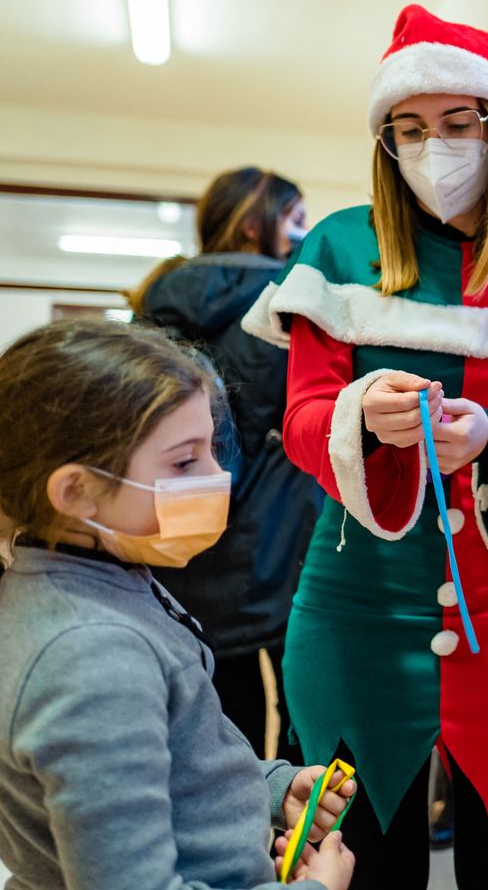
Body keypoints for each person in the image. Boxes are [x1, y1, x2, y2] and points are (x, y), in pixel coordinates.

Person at [242, 4, 488, 889]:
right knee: (364, 870)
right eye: (408, 129)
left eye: (455, 123)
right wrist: (361, 413)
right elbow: (302, 418)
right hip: (356, 615)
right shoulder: (337, 247)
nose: (432, 147)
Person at [0, 320, 356, 890]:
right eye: (184, 463)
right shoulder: (92, 656)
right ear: (75, 491)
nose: (219, 480)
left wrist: (268, 788)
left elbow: (174, 758)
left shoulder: (96, 576)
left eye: (212, 450)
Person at [130, 166, 320, 759]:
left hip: (189, 534)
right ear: (253, 226)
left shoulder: (157, 302)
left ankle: (237, 815)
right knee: (306, 716)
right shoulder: (296, 300)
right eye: (295, 217)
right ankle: (299, 820)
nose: (306, 230)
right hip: (291, 537)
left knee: (222, 722)